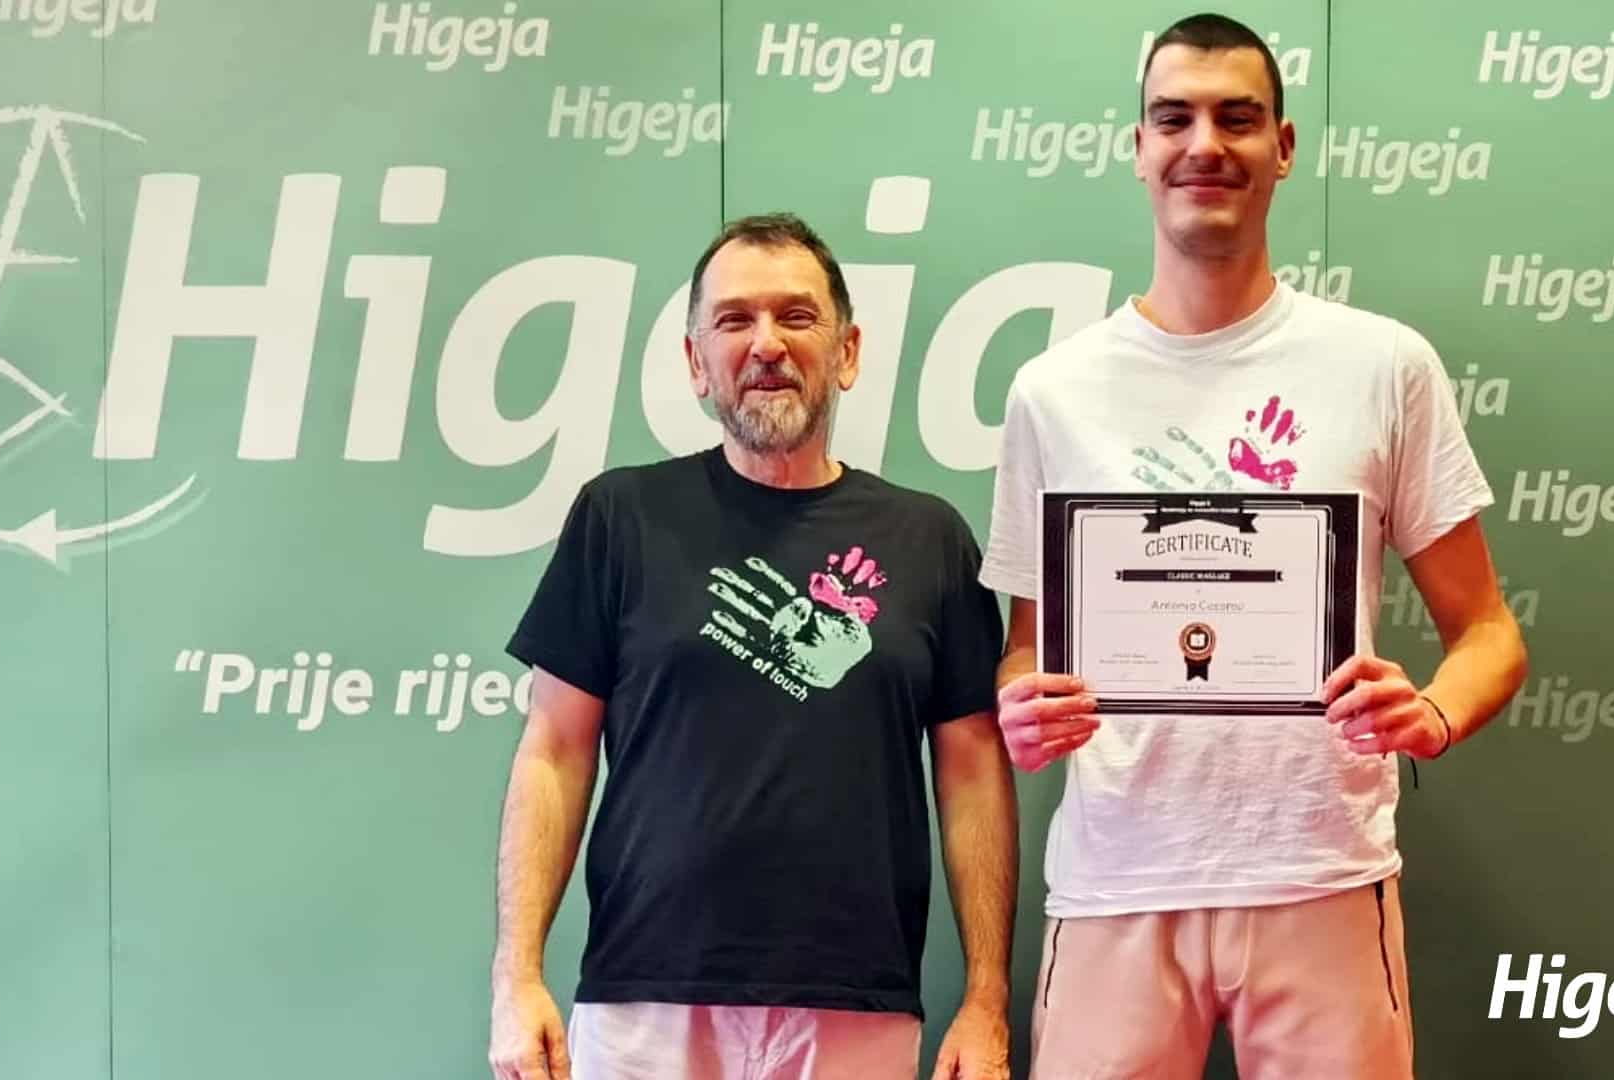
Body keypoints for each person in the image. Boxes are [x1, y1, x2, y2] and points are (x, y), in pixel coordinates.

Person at [978, 13, 1530, 1080]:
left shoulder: (1384, 367)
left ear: (1283, 147)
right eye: (1173, 118)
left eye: (1237, 119)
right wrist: (1021, 704)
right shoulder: (1053, 392)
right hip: (1116, 885)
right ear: (1137, 147)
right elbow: (1025, 650)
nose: (1205, 144)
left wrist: (1431, 713)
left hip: (1324, 876)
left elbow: (1490, 636)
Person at [488, 213, 1017, 1080]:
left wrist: (986, 1000)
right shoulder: (622, 518)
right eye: (735, 321)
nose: (766, 343)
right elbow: (553, 750)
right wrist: (515, 979)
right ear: (697, 362)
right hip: (646, 1001)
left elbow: (972, 774)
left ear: (847, 352)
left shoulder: (929, 539)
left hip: (856, 1002)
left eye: (796, 317)